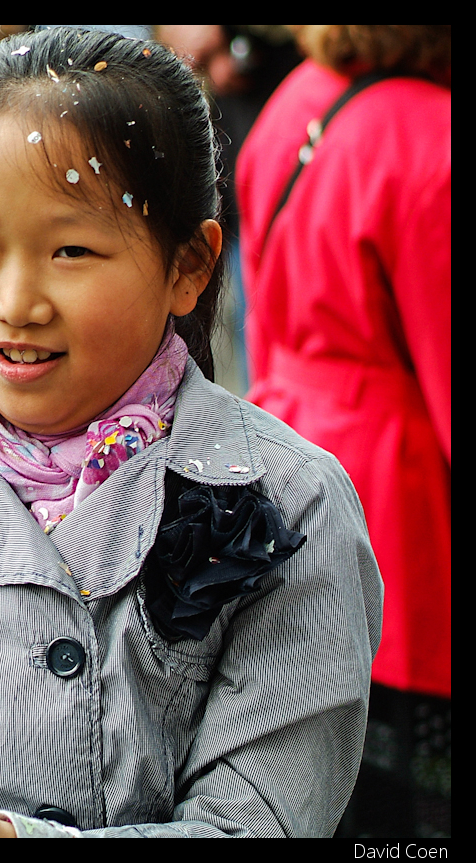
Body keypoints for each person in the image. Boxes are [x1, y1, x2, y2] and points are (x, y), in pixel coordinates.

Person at [0, 27, 380, 838]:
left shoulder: (288, 504)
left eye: (72, 250)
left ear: (190, 266)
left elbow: (257, 821)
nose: (17, 301)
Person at [237, 26, 450, 836]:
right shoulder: (432, 140)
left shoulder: (297, 100)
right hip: (406, 507)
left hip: (287, 470)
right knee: (415, 802)